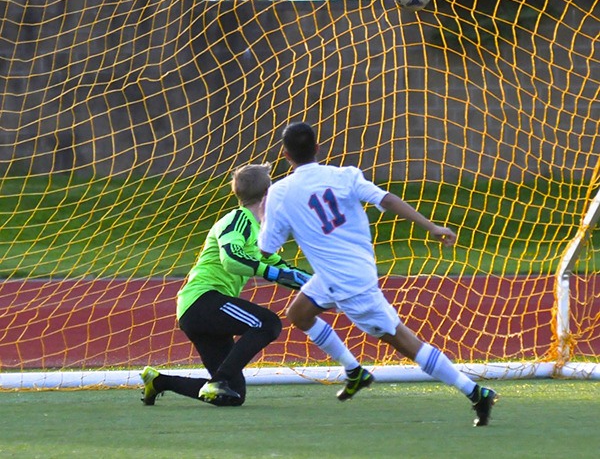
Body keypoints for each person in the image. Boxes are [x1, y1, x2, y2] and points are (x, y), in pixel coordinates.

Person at [258, 121, 498, 426]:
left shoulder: (279, 192)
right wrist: (432, 227)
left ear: (285, 154)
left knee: (404, 342)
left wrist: (265, 215)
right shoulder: (344, 175)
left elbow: (266, 250)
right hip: (339, 275)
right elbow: (387, 199)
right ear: (318, 148)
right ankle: (354, 371)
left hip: (351, 286)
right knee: (299, 313)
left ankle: (475, 392)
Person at [140, 163, 310, 407]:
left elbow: (283, 269)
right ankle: (217, 380)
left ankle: (159, 382)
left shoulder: (258, 231)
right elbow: (231, 259)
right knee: (267, 323)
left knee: (232, 395)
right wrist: (268, 271)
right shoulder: (238, 220)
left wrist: (318, 286)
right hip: (202, 301)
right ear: (268, 193)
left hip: (201, 313)